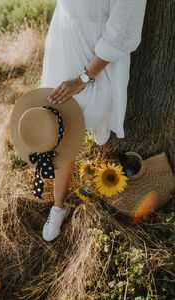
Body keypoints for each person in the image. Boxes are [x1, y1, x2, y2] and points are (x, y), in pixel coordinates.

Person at [40, 0, 147, 241]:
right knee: (58, 127)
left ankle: (99, 185)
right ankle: (59, 206)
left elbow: (122, 29)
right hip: (63, 40)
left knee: (82, 117)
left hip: (96, 59)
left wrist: (83, 78)